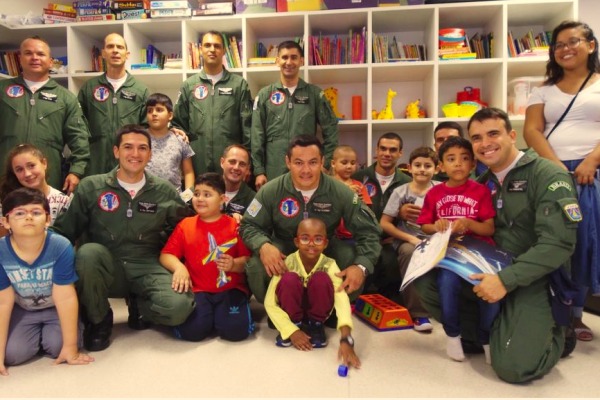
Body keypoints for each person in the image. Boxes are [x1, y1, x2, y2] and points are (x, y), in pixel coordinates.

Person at [414, 108, 580, 383]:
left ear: (512, 135)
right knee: (429, 280)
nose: (485, 143)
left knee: (515, 369)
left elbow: (558, 244)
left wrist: (504, 280)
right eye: (476, 137)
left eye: (493, 133)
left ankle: (555, 336)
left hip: (532, 278)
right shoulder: (481, 183)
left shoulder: (546, 174)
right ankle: (490, 332)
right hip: (486, 269)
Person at [52, 125, 194, 352]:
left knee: (179, 308)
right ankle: (98, 320)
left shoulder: (165, 191)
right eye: (128, 147)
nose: (135, 154)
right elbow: (64, 231)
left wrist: (179, 264)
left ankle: (140, 304)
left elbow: (185, 230)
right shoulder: (92, 187)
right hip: (106, 264)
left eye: (142, 148)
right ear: (116, 152)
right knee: (87, 253)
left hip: (147, 264)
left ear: (150, 154)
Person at [524, 20, 600, 342]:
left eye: (573, 42)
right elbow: (531, 131)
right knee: (552, 240)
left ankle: (576, 314)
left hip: (591, 173)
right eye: (558, 45)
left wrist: (591, 161)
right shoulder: (542, 89)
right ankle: (556, 312)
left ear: (591, 45)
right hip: (552, 173)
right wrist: (557, 167)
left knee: (584, 243)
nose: (565, 49)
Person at [240, 135, 381, 304]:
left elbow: (369, 231)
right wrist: (263, 245)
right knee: (257, 265)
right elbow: (248, 224)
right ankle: (278, 308)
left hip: (325, 247)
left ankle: (331, 309)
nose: (306, 170)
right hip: (285, 247)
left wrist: (361, 267)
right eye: (298, 162)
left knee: (349, 257)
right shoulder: (270, 191)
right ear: (288, 162)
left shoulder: (341, 192)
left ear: (322, 162)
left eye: (313, 162)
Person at [416, 136, 497, 363]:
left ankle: (486, 338)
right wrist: (437, 226)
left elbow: (489, 228)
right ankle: (453, 335)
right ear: (441, 166)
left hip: (479, 253)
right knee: (446, 283)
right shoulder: (434, 193)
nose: (458, 164)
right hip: (449, 253)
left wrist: (470, 224)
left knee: (489, 291)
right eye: (451, 159)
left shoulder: (480, 191)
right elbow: (425, 225)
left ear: (473, 164)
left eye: (464, 159)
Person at [0, 188, 94, 376]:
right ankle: (34, 337)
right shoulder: (1, 251)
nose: (28, 217)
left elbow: (65, 297)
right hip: (23, 308)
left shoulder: (59, 246)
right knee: (13, 354)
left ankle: (66, 331)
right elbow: (3, 301)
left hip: (54, 307)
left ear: (48, 219)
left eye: (36, 212)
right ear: (5, 221)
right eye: (19, 213)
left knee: (59, 346)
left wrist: (71, 347)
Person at [160, 173, 254, 342]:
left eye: (207, 194)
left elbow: (248, 260)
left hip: (230, 289)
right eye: (196, 194)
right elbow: (166, 255)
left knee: (236, 332)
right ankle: (210, 317)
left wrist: (233, 264)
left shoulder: (235, 226)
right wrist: (179, 267)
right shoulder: (185, 225)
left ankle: (221, 317)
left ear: (222, 199)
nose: (200, 199)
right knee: (193, 332)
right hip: (198, 290)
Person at [265, 218, 361, 370]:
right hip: (290, 314)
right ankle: (294, 323)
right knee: (289, 278)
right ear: (296, 242)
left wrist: (346, 338)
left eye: (318, 239)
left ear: (325, 243)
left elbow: (341, 298)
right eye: (304, 238)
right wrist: (291, 330)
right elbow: (269, 302)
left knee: (321, 278)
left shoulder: (330, 264)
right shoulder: (287, 262)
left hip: (316, 312)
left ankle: (316, 325)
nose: (311, 244)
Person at [0, 36, 90, 194]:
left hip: (48, 176)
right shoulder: (2, 90)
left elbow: (79, 139)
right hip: (5, 176)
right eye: (28, 53)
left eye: (40, 54)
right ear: (20, 59)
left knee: (46, 216)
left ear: (50, 62)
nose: (35, 57)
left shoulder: (65, 98)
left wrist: (76, 171)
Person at [251, 41, 339, 190]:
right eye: (284, 57)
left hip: (306, 170)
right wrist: (259, 170)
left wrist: (324, 164)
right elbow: (256, 136)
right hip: (273, 170)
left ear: (301, 61)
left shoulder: (314, 94)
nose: (289, 62)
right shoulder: (265, 95)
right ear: (277, 60)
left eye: (294, 57)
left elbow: (331, 131)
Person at [173, 30, 253, 176]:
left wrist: (248, 165)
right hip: (196, 163)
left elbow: (248, 129)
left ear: (223, 51)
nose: (212, 50)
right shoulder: (189, 85)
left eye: (217, 46)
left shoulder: (239, 85)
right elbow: (178, 125)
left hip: (231, 167)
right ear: (200, 50)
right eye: (207, 45)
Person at [380, 146, 440, 333]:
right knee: (409, 252)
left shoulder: (441, 190)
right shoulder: (401, 191)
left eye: (427, 165)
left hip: (436, 239)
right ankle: (419, 314)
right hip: (408, 240)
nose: (422, 169)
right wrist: (410, 239)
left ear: (436, 169)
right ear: (410, 168)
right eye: (418, 165)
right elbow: (385, 223)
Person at [78, 33, 149, 176]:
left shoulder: (140, 90)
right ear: (103, 53)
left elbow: (148, 129)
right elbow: (78, 126)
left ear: (127, 54)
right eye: (110, 47)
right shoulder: (89, 88)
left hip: (129, 162)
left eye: (120, 47)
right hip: (95, 162)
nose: (115, 50)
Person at [352, 132, 411, 298]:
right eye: (383, 149)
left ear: (400, 153)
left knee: (390, 261)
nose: (387, 153)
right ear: (376, 151)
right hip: (363, 239)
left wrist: (399, 233)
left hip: (391, 240)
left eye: (393, 150)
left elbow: (414, 219)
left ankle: (390, 301)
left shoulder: (407, 183)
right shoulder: (358, 178)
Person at [0, 144, 71, 237]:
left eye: (31, 165)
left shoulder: (63, 201)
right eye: (19, 169)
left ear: (44, 163)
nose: (27, 174)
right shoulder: (6, 201)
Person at [145, 93, 195, 193]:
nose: (154, 113)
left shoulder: (180, 139)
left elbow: (188, 172)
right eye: (150, 110)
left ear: (170, 115)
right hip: (145, 199)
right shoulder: (140, 139)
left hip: (174, 200)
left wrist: (187, 199)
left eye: (159, 110)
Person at [330, 145, 372, 241]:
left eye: (353, 163)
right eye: (344, 162)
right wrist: (347, 193)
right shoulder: (328, 184)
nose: (349, 166)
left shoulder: (360, 186)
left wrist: (360, 203)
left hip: (354, 235)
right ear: (333, 163)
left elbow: (367, 211)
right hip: (332, 234)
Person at [220, 144, 255, 224]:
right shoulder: (205, 186)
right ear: (222, 162)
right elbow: (184, 203)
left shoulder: (253, 199)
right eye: (232, 162)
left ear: (247, 169)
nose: (236, 167)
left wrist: (244, 224)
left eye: (242, 164)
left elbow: (257, 229)